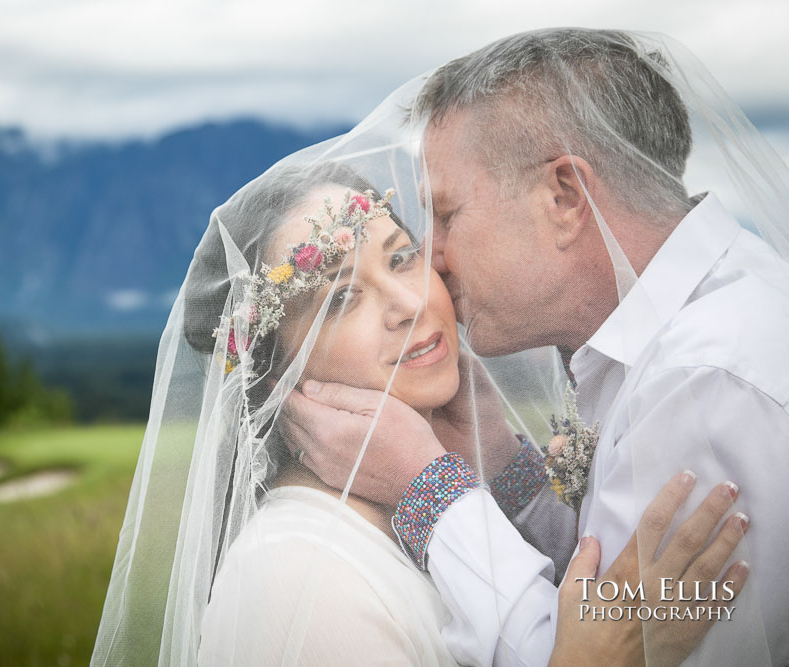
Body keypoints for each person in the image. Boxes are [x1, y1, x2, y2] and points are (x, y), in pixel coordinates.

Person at [90, 76, 749, 663]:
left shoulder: (430, 512)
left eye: (403, 258)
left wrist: (502, 474)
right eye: (342, 297)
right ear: (275, 375)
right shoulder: (296, 575)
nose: (409, 303)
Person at [289, 28, 789, 666]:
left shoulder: (702, 386)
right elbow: (600, 597)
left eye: (446, 215)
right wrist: (502, 467)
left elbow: (588, 656)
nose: (433, 262)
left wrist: (427, 487)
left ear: (564, 198)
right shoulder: (709, 320)